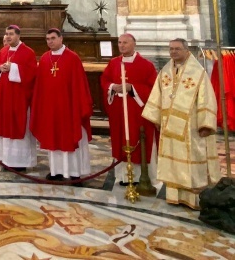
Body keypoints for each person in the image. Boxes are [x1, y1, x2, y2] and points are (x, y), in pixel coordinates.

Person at [142, 38, 220, 210]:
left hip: (190, 128)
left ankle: (193, 198)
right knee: (173, 163)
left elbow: (206, 98)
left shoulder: (198, 72)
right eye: (171, 49)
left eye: (177, 49)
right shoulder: (165, 71)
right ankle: (174, 196)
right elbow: (157, 94)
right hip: (169, 125)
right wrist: (156, 117)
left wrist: (205, 124)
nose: (173, 52)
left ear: (186, 51)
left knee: (191, 161)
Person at [30, 28, 93, 181]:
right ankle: (56, 171)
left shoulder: (72, 58)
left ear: (61, 39)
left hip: (69, 108)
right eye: (47, 39)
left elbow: (79, 85)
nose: (50, 41)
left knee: (69, 137)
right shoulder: (45, 59)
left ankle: (74, 172)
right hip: (50, 108)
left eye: (52, 38)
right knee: (53, 137)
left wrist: (78, 107)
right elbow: (40, 86)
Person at [100, 34, 158, 185]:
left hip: (138, 112)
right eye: (119, 42)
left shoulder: (146, 65)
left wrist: (133, 88)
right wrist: (113, 87)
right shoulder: (113, 63)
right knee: (121, 141)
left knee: (138, 140)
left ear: (134, 44)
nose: (122, 45)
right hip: (119, 111)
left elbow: (153, 89)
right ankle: (124, 176)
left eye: (125, 42)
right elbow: (105, 80)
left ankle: (141, 176)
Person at [0, 25, 38, 169]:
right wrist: (0, 68)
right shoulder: (4, 50)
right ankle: (3, 158)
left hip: (19, 98)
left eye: (11, 34)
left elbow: (31, 74)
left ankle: (19, 162)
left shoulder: (28, 52)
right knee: (3, 125)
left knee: (16, 126)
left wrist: (14, 68)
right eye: (7, 34)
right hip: (3, 97)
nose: (8, 37)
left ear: (18, 35)